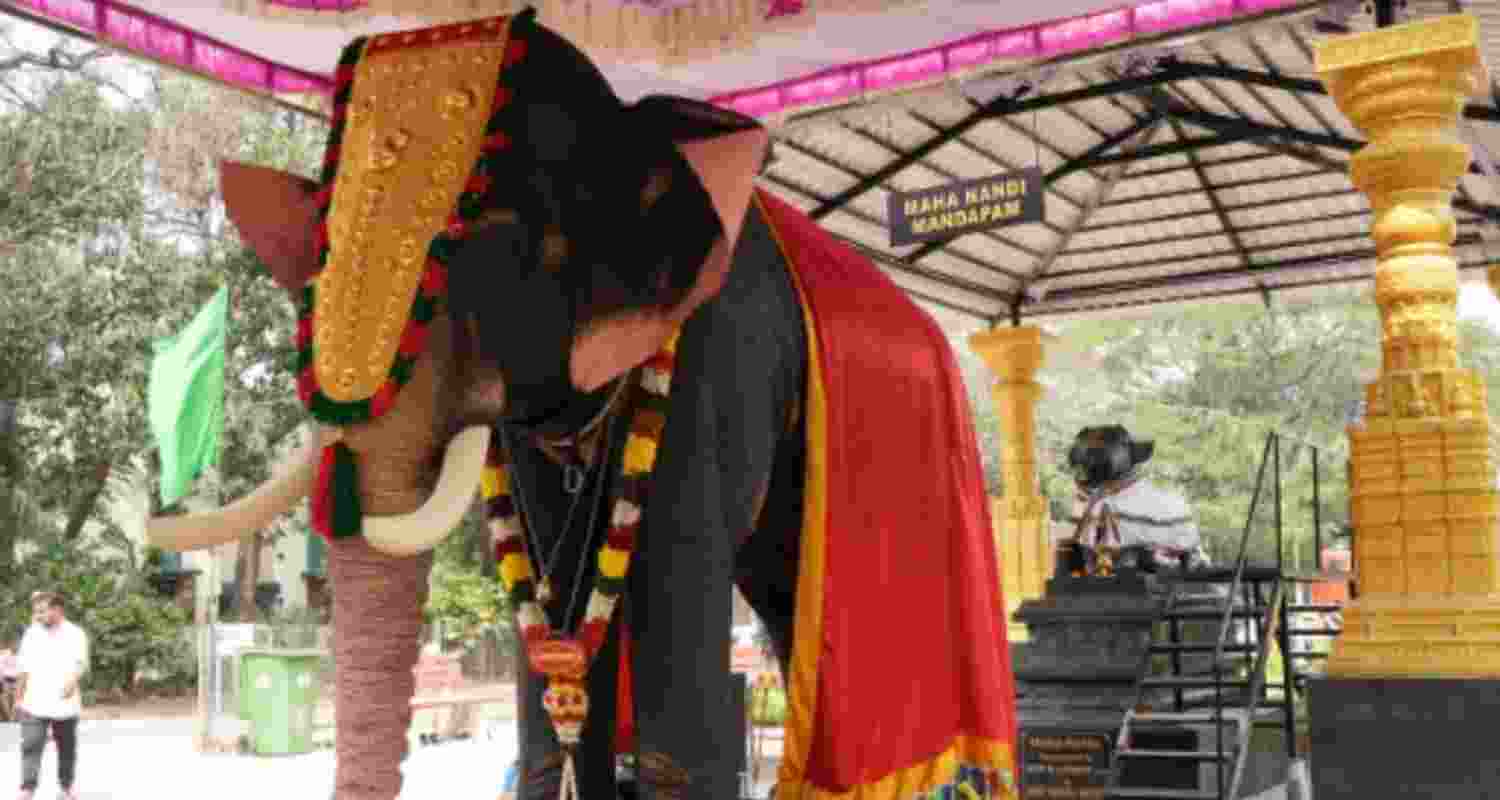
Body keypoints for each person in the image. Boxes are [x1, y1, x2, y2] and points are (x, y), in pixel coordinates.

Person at [15, 592, 89, 800]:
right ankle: (27, 788)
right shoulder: (31, 633)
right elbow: (23, 667)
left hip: (64, 702)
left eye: (42, 611)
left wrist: (72, 682)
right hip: (34, 701)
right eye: (35, 612)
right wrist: (18, 698)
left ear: (57, 610)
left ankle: (66, 787)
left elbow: (81, 663)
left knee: (66, 747)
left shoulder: (75, 633)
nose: (37, 616)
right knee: (30, 744)